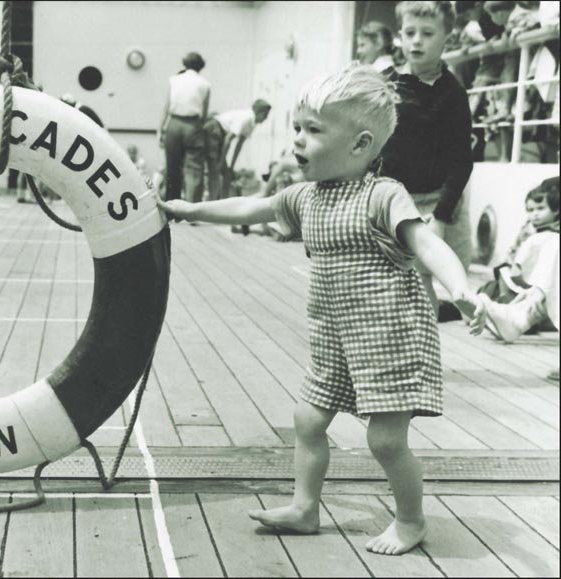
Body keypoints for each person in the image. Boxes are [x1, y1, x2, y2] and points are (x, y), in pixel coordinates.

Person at [158, 64, 486, 556]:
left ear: (359, 145)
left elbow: (425, 243)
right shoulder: (306, 197)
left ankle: (411, 520)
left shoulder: (382, 195)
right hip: (333, 334)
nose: (297, 140)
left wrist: (460, 287)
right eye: (297, 127)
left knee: (386, 442)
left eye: (313, 130)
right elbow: (253, 206)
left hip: (388, 336)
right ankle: (305, 506)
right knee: (307, 421)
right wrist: (191, 209)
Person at [381, 1, 474, 320]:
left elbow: (461, 160)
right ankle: (399, 356)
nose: (416, 40)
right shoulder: (383, 84)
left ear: (447, 38)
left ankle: (422, 360)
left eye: (427, 33)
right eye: (409, 32)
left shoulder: (452, 94)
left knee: (431, 281)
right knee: (396, 284)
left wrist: (442, 215)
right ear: (400, 36)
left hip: (434, 203)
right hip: (390, 199)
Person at [480, 176, 559, 342]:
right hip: (531, 282)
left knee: (554, 242)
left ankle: (520, 316)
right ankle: (521, 314)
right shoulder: (552, 186)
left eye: (540, 208)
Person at [158, 52, 211, 202]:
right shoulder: (205, 84)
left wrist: (160, 129)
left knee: (172, 167)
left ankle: (171, 205)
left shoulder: (174, 80)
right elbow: (205, 113)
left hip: (174, 123)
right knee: (193, 168)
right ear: (201, 66)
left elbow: (166, 107)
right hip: (193, 124)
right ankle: (191, 208)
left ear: (185, 64)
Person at [203, 99, 272, 202]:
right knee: (216, 171)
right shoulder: (246, 118)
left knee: (226, 175)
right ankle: (211, 204)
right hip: (214, 130)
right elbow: (228, 140)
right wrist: (222, 162)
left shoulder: (252, 124)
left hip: (220, 136)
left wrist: (231, 166)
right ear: (259, 112)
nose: (266, 118)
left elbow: (239, 145)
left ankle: (223, 203)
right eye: (265, 114)